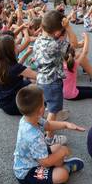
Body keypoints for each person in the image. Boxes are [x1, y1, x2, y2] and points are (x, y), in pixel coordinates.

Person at [13, 85, 85, 184]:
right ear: (41, 110)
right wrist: (63, 152)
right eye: (43, 102)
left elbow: (48, 125)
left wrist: (66, 125)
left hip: (34, 158)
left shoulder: (28, 118)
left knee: (57, 147)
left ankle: (52, 174)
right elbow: (45, 163)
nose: (45, 104)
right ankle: (58, 175)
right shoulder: (33, 136)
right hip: (27, 173)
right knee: (63, 174)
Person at [32, 10, 78, 143]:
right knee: (53, 110)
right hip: (52, 82)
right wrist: (68, 27)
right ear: (58, 32)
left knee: (43, 106)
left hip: (40, 79)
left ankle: (40, 126)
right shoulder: (56, 44)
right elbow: (74, 44)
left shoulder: (39, 40)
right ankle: (50, 137)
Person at [0, 35, 37, 115]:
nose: (18, 46)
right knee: (39, 85)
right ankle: (49, 113)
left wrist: (26, 54)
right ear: (10, 50)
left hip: (4, 103)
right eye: (16, 45)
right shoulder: (15, 68)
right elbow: (39, 76)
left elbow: (17, 69)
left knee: (31, 80)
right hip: (13, 105)